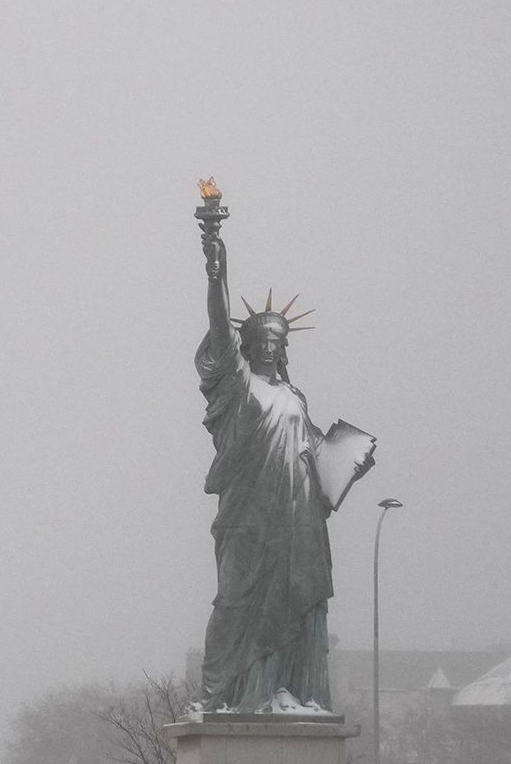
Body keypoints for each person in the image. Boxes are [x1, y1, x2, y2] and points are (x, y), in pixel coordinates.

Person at [193, 220, 363, 713]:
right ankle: (226, 693)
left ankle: (286, 687)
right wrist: (215, 271)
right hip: (250, 516)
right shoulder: (239, 387)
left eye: (276, 339)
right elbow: (219, 326)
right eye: (261, 339)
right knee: (237, 601)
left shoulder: (293, 395)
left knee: (297, 601)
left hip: (298, 517)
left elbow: (314, 452)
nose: (269, 345)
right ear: (247, 346)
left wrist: (348, 461)